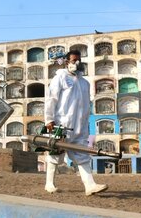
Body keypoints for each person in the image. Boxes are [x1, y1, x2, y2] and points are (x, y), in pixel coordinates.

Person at [44, 50, 108, 195]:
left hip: (80, 126)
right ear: (67, 62)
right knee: (55, 152)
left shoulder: (84, 83)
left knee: (83, 155)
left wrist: (86, 125)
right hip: (61, 124)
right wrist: (49, 119)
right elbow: (51, 99)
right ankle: (49, 184)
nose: (77, 63)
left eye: (79, 60)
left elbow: (85, 105)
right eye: (74, 61)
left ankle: (90, 186)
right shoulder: (60, 78)